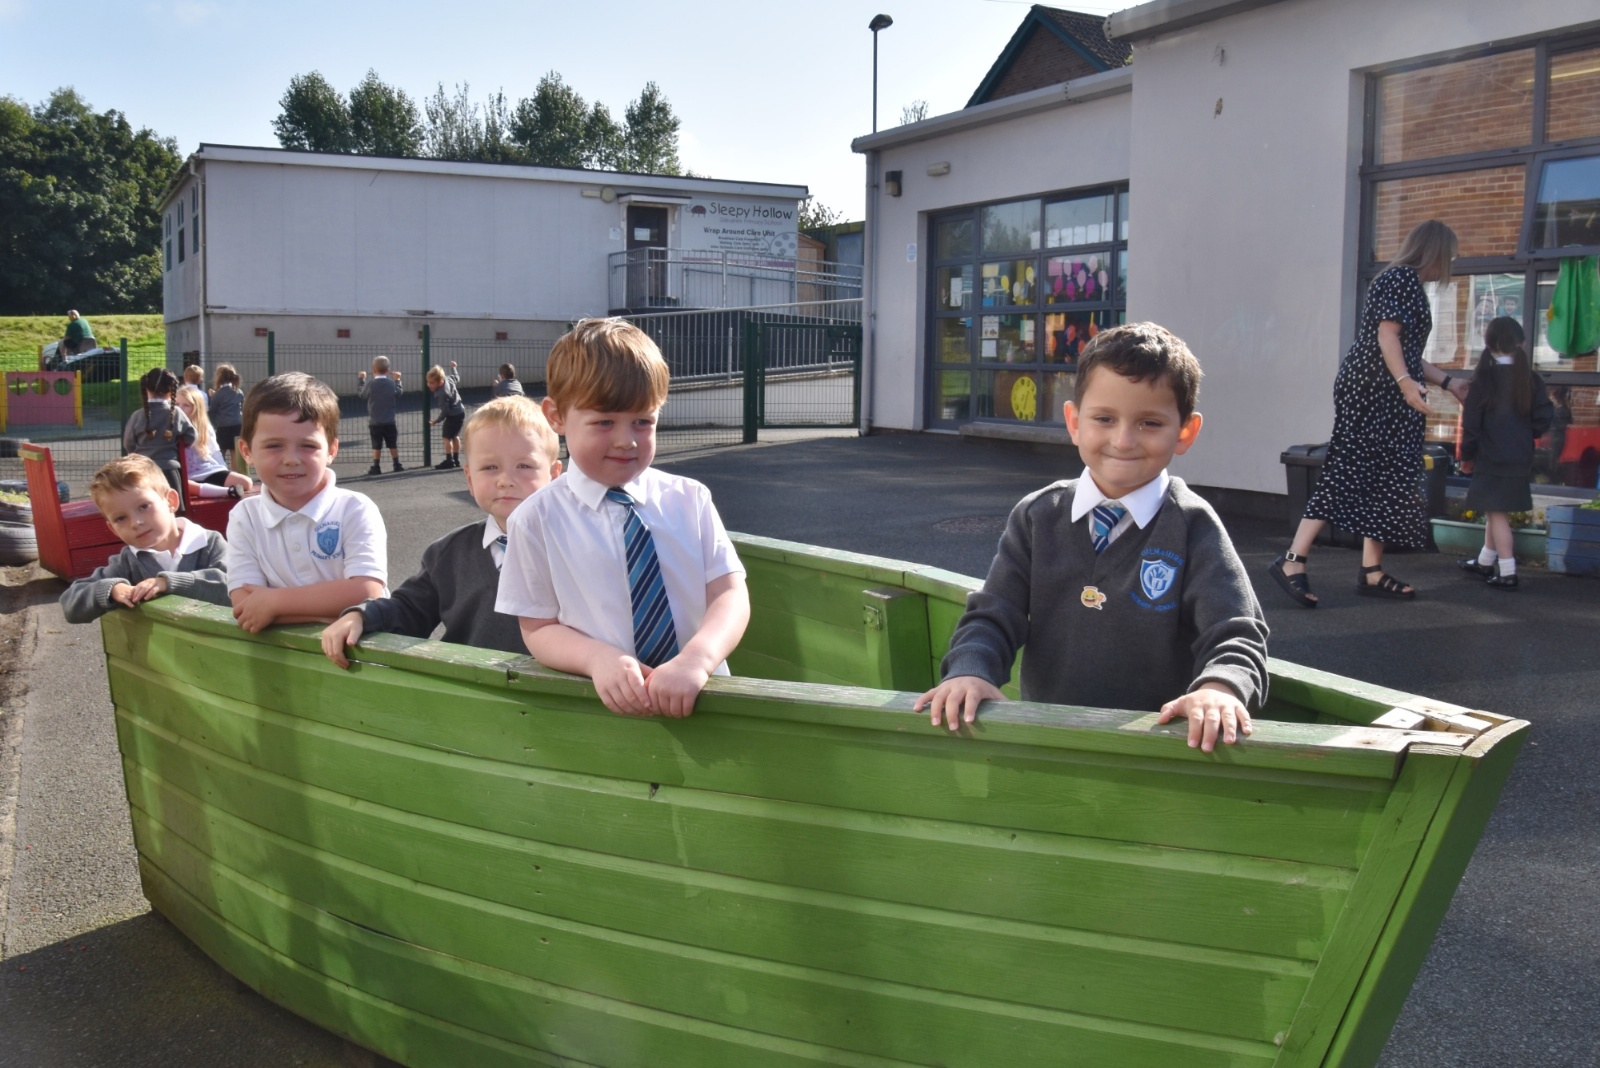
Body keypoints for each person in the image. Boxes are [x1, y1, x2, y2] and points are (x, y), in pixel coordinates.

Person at [914, 322, 1268, 753]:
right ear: (1074, 422)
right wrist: (970, 670)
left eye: (1150, 422)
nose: (1124, 440)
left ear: (1185, 433)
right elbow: (994, 615)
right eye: (1104, 419)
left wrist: (1219, 688)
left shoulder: (1193, 526)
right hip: (1048, 744)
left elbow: (1235, 634)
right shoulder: (1038, 516)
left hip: (1158, 754)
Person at [497, 318, 750, 718]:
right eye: (604, 421)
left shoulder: (690, 499)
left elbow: (729, 594)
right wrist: (597, 658)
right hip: (603, 710)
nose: (626, 440)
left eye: (643, 421)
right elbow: (538, 628)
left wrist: (697, 659)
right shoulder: (535, 519)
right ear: (556, 416)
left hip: (703, 701)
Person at [1270, 219, 1471, 606]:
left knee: (1387, 475)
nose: (1450, 263)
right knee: (1349, 468)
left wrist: (1449, 383)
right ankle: (1292, 560)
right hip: (1373, 390)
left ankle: (1372, 571)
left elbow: (1406, 351)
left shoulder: (1407, 284)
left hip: (1385, 388)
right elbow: (1386, 335)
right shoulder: (1401, 278)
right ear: (1435, 251)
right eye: (1449, 256)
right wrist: (1406, 383)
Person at [320, 397, 563, 667]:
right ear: (469, 479)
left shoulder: (578, 547)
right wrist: (362, 616)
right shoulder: (448, 554)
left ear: (554, 475)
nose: (505, 480)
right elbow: (409, 609)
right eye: (490, 467)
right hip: (468, 688)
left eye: (524, 466)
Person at [225, 372, 387, 633]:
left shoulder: (355, 509)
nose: (291, 459)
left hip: (362, 653)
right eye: (274, 446)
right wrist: (327, 610)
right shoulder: (244, 517)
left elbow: (367, 591)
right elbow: (245, 606)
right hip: (285, 655)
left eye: (308, 446)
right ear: (247, 452)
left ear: (331, 451)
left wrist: (274, 603)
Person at [59, 455, 230, 623]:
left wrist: (168, 583)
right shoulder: (128, 561)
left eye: (143, 506)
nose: (135, 523)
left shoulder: (209, 543)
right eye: (120, 518)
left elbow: (234, 585)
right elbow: (70, 603)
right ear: (113, 529)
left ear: (170, 501)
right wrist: (112, 589)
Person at [1457, 317, 1555, 591]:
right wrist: (1523, 434)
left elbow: (1471, 425)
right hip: (1520, 455)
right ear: (1520, 343)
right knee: (1495, 508)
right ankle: (1484, 561)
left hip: (1491, 456)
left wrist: (1467, 455)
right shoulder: (1530, 379)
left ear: (1488, 344)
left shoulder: (1484, 380)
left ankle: (1508, 571)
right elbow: (1544, 416)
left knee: (1496, 513)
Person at [123, 367, 197, 495]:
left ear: (146, 389)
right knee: (173, 504)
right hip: (170, 470)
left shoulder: (137, 415)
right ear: (171, 391)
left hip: (143, 471)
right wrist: (177, 443)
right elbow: (191, 436)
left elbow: (128, 443)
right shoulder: (177, 413)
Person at [175, 385, 254, 498]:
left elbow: (215, 451)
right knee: (181, 485)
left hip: (206, 471)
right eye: (177, 404)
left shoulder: (204, 427)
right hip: (185, 475)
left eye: (186, 405)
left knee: (246, 482)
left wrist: (224, 470)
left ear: (196, 409)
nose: (180, 409)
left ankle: (212, 489)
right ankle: (225, 491)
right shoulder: (170, 427)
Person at [357, 356, 405, 475]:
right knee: (392, 443)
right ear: (388, 370)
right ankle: (397, 464)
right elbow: (399, 393)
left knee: (376, 445)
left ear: (373, 370)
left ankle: (376, 466)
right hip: (389, 421)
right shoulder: (391, 383)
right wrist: (398, 380)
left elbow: (362, 394)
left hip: (375, 421)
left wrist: (361, 380)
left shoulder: (371, 384)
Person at [427, 361, 466, 469]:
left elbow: (445, 411)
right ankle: (456, 460)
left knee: (446, 438)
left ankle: (449, 460)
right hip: (460, 412)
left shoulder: (442, 393)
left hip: (452, 415)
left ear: (439, 382)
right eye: (428, 382)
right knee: (455, 436)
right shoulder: (448, 379)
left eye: (432, 383)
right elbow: (456, 377)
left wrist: (436, 421)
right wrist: (454, 367)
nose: (429, 385)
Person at [210, 364, 245, 465]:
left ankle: (222, 472)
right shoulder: (238, 392)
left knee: (221, 453)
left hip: (223, 427)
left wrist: (214, 424)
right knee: (235, 453)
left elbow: (212, 411)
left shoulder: (218, 395)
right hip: (237, 425)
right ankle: (237, 472)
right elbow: (243, 406)